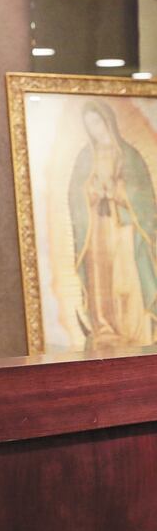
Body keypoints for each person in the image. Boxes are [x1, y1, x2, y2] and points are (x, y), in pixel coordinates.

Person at [68, 100, 157, 349]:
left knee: (126, 278)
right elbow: (76, 194)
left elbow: (143, 197)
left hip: (125, 228)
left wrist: (118, 192)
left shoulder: (129, 155)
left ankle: (133, 330)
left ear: (107, 121)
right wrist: (93, 192)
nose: (94, 129)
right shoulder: (85, 157)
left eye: (97, 122)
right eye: (89, 125)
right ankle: (105, 328)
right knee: (100, 277)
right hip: (97, 228)